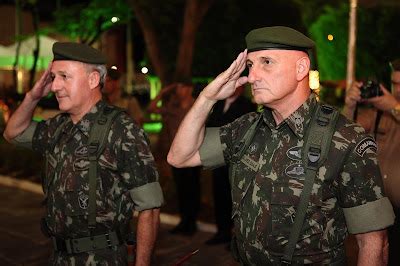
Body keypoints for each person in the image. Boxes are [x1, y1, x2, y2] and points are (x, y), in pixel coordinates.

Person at [167, 26, 395, 265]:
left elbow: (373, 242)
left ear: (301, 68)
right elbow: (179, 157)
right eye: (251, 65)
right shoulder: (246, 129)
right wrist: (208, 97)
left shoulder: (346, 138)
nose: (253, 76)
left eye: (266, 62)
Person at [3, 42, 163, 265]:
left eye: (64, 77)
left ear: (93, 80)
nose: (55, 86)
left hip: (101, 258)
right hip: (59, 256)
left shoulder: (122, 130)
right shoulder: (58, 127)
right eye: (53, 77)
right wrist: (33, 95)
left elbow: (150, 208)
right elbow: (12, 132)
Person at [343, 58, 400, 266]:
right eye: (394, 83)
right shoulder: (377, 113)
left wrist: (394, 106)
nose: (398, 89)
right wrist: (349, 105)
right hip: (380, 208)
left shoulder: (391, 107)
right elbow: (344, 137)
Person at [205, 85, 256, 245]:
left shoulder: (247, 105)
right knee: (219, 195)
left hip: (236, 159)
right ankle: (222, 232)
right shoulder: (218, 103)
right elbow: (211, 124)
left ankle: (237, 238)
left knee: (237, 199)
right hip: (217, 156)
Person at [148, 82, 200, 236]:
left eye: (182, 87)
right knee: (181, 189)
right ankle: (184, 222)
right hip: (177, 155)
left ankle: (192, 222)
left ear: (189, 88)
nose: (180, 91)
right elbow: (151, 109)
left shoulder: (197, 105)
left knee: (193, 189)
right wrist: (163, 92)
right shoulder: (173, 108)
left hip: (193, 154)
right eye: (177, 88)